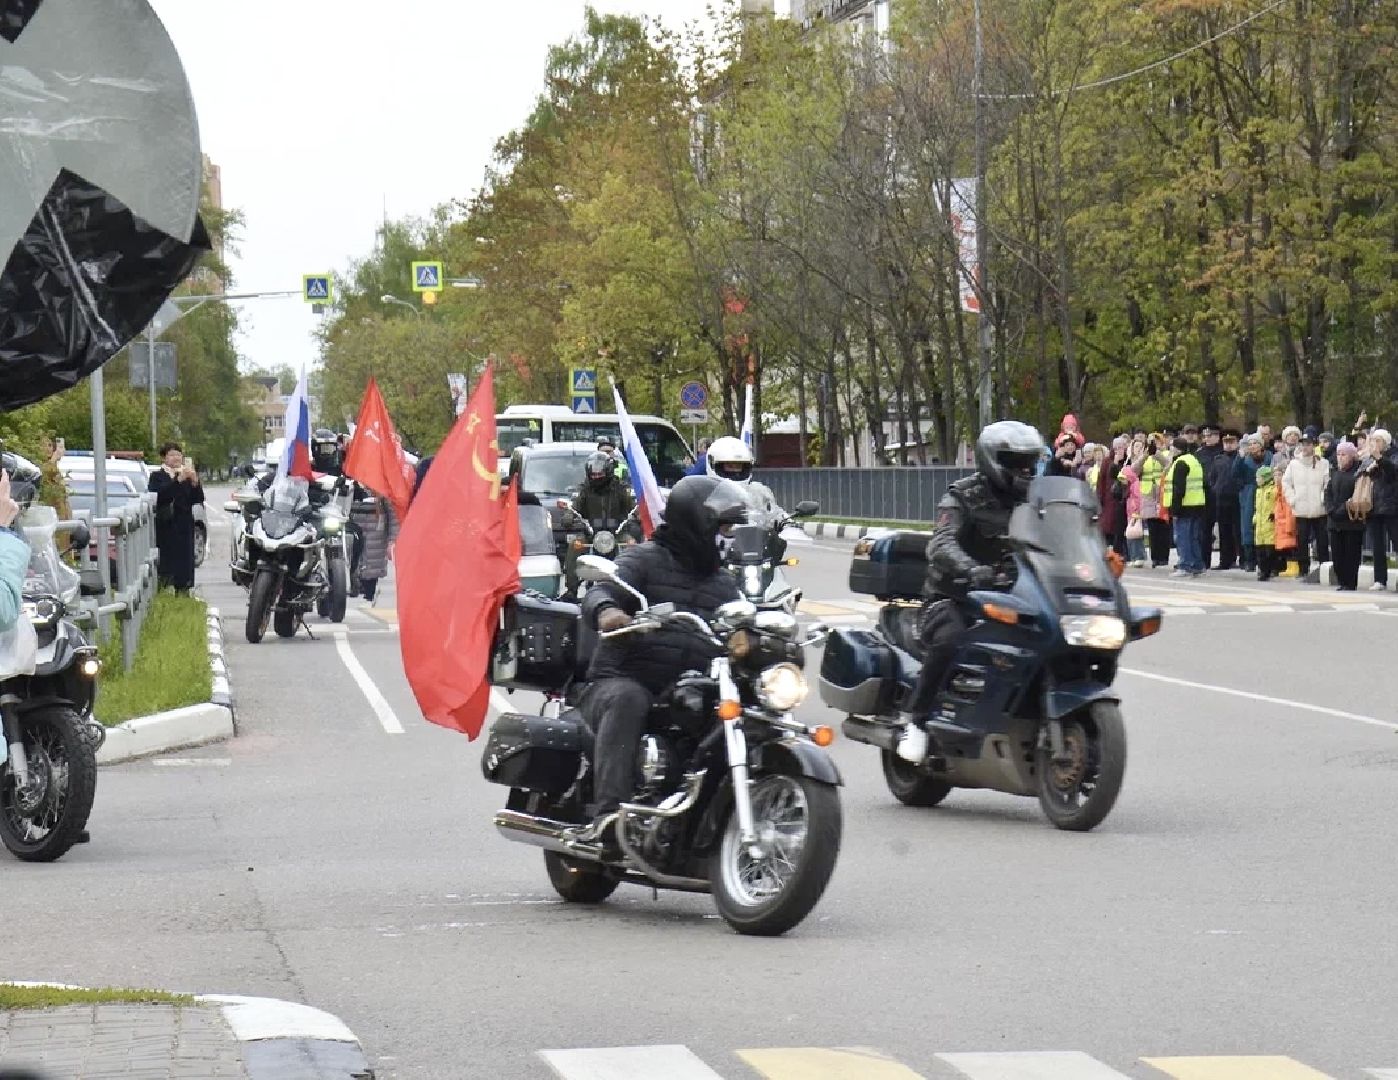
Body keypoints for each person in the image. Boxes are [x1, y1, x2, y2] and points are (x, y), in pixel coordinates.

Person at [571, 476, 746, 848]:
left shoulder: (724, 585)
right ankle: (609, 817)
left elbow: (741, 622)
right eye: (724, 526)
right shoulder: (645, 559)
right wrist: (608, 611)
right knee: (628, 699)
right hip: (619, 679)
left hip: (684, 690)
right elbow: (603, 588)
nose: (729, 536)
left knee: (740, 711)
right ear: (698, 523)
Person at [894, 420, 1044, 764]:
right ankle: (915, 722)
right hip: (956, 596)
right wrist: (969, 568)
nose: (1025, 470)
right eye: (1014, 461)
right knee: (950, 639)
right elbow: (941, 542)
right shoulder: (962, 495)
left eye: (1029, 462)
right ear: (992, 460)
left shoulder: (1038, 497)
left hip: (1015, 593)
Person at [147, 441, 204, 593]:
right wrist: (177, 481)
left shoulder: (186, 475)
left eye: (178, 455)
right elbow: (161, 496)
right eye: (171, 454)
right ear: (164, 458)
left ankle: (184, 588)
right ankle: (165, 586)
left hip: (184, 523)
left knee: (185, 560)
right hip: (166, 524)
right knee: (167, 559)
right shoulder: (157, 476)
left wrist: (194, 482)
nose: (176, 458)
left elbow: (198, 499)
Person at [1281, 433, 1329, 577]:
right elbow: (1286, 483)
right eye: (1303, 444)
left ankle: (1324, 567)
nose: (1305, 447)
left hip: (1319, 509)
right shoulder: (1294, 464)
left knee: (1322, 540)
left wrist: (1322, 498)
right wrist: (1293, 499)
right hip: (1301, 508)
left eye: (1308, 444)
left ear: (1314, 446)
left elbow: (1327, 482)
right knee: (1302, 540)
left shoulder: (1323, 463)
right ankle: (1303, 569)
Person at [705, 435, 783, 524]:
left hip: (753, 537)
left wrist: (788, 524)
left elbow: (776, 515)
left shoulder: (759, 492)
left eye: (739, 466)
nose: (735, 471)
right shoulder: (705, 495)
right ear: (713, 465)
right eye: (729, 466)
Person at [1360, 428, 1398, 592]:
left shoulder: (1393, 455)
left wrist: (1379, 458)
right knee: (1377, 545)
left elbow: (1392, 472)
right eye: (1373, 440)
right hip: (1373, 506)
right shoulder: (1369, 458)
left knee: (1396, 542)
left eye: (1378, 440)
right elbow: (1360, 474)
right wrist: (1367, 467)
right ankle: (1379, 579)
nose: (1375, 443)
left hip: (1391, 506)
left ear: (1386, 442)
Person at [1164, 436, 1207, 577]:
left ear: (1176, 449)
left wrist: (1174, 509)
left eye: (1171, 447)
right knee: (1193, 537)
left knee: (1183, 537)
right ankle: (1197, 564)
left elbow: (1178, 489)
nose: (1170, 450)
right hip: (1197, 504)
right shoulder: (1193, 460)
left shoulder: (1180, 463)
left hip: (1184, 506)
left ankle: (1185, 565)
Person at [1326, 441, 1366, 591]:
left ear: (1351, 457)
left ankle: (1350, 582)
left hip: (1351, 521)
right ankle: (1342, 581)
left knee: (1351, 554)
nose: (1340, 458)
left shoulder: (1358, 473)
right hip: (1334, 521)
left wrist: (1342, 510)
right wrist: (1331, 509)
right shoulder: (1335, 472)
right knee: (1337, 555)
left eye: (1344, 455)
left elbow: (1356, 496)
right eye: (1338, 454)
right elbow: (1328, 492)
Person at [1209, 429, 1242, 571]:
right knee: (1224, 531)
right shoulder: (1218, 459)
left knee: (1239, 530)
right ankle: (1225, 560)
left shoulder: (1240, 457)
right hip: (1222, 499)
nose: (1228, 445)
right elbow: (1212, 478)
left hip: (1237, 497)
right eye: (1226, 442)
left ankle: (1244, 559)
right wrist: (1216, 488)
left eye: (1231, 442)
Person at [1234, 434, 1265, 573]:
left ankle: (1263, 559)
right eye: (1250, 444)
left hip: (1265, 494)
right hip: (1248, 495)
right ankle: (1249, 560)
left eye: (1255, 443)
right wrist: (1239, 457)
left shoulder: (1269, 457)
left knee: (1264, 526)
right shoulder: (1244, 459)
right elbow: (1234, 474)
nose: (1252, 446)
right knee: (1247, 527)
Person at [1140, 435, 1172, 568]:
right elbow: (1135, 470)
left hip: (1162, 491)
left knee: (1163, 526)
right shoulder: (1145, 455)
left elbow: (1168, 465)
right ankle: (1155, 557)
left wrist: (1156, 453)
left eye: (1157, 441)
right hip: (1148, 493)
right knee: (1152, 527)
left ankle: (1163, 556)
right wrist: (1145, 456)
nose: (1155, 444)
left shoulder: (1166, 453)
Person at [1253, 465, 1279, 580]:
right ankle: (1262, 569)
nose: (1257, 480)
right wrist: (1254, 519)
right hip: (1259, 524)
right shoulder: (1258, 491)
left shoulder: (1273, 490)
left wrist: (1274, 514)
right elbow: (1257, 508)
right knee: (1260, 550)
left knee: (1269, 549)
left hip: (1269, 524)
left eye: (1259, 477)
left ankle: (1269, 570)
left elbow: (1276, 504)